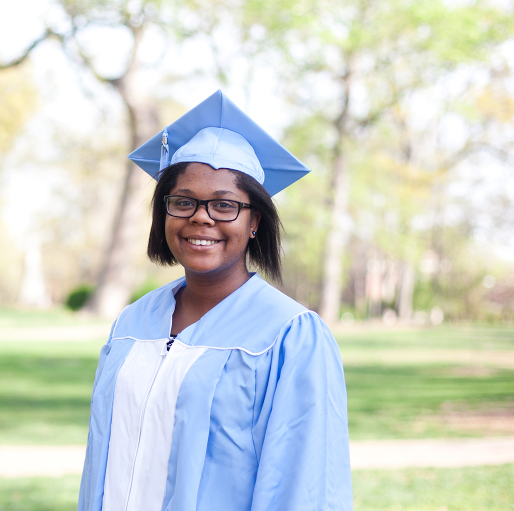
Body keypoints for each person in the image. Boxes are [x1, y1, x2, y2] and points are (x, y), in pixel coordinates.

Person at [78, 91, 353, 511]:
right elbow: (102, 456)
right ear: (164, 212)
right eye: (183, 201)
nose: (201, 217)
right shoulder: (132, 323)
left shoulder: (290, 335)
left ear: (254, 220)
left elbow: (303, 485)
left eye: (225, 205)